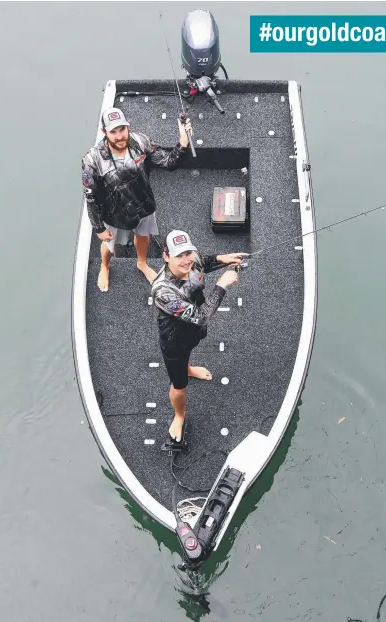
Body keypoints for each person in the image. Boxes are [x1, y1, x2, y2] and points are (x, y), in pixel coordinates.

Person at [151, 230, 249, 444]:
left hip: (192, 333)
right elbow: (201, 317)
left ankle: (189, 368)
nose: (186, 261)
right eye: (179, 256)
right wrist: (221, 285)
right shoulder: (162, 292)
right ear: (166, 257)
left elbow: (202, 261)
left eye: (188, 253)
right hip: (174, 342)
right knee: (179, 385)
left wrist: (223, 259)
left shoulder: (191, 261)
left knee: (188, 355)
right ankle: (179, 415)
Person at [81, 107, 193, 291]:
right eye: (113, 132)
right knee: (109, 244)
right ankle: (105, 266)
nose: (119, 136)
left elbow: (169, 162)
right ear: (104, 132)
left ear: (128, 127)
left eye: (122, 129)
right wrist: (99, 228)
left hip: (143, 205)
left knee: (143, 237)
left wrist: (183, 139)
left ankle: (141, 263)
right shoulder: (92, 160)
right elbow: (90, 197)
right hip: (113, 214)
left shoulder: (142, 142)